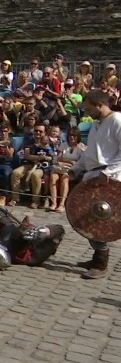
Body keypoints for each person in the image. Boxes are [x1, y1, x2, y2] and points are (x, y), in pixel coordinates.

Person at [70, 90, 121, 279]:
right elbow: (90, 153)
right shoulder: (96, 125)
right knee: (88, 217)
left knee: (100, 218)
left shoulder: (117, 120)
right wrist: (76, 168)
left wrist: (107, 174)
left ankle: (100, 264)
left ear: (100, 104)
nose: (87, 111)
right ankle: (96, 257)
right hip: (94, 174)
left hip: (109, 177)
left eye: (89, 108)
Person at [48, 126, 85, 212]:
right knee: (53, 177)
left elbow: (80, 162)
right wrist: (70, 161)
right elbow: (59, 158)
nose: (72, 137)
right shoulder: (64, 145)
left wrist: (71, 163)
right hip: (61, 167)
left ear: (78, 136)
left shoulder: (82, 147)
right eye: (70, 135)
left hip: (73, 170)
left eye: (74, 135)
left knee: (65, 179)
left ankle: (62, 204)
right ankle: (53, 203)